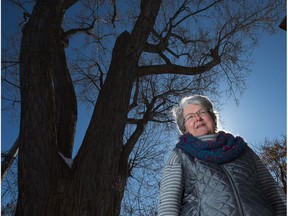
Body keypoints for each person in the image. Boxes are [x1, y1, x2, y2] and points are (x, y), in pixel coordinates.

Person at [158, 95, 286, 216]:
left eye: (202, 112)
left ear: (213, 118)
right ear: (184, 128)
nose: (198, 118)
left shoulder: (243, 150)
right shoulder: (180, 155)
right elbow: (169, 205)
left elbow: (274, 193)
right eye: (190, 116)